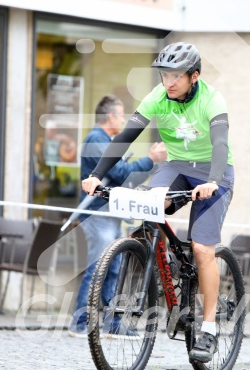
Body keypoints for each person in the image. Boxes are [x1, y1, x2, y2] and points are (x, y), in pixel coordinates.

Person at [81, 42, 234, 363]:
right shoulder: (157, 98)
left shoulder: (212, 98)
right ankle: (162, 258)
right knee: (150, 205)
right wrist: (96, 175)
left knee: (204, 249)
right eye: (165, 75)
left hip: (213, 171)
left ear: (194, 76)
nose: (169, 82)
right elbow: (124, 138)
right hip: (176, 167)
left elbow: (220, 143)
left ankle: (208, 328)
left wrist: (213, 180)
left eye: (176, 76)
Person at [68, 95, 167, 338]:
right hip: (99, 215)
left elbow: (125, 178)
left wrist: (150, 166)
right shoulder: (95, 139)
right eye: (121, 115)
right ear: (111, 116)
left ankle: (112, 324)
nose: (123, 120)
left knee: (113, 269)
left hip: (111, 214)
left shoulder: (105, 140)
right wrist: (149, 160)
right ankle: (80, 323)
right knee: (97, 267)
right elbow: (120, 172)